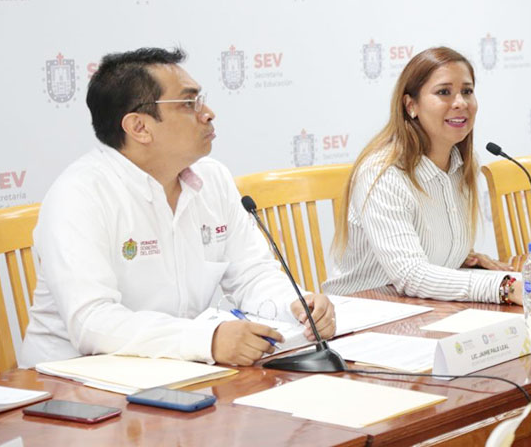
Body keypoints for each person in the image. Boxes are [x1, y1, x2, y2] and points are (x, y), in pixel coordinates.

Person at [21, 48, 335, 368]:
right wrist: (207, 340)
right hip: (72, 379)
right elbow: (93, 321)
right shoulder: (79, 194)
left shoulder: (213, 178)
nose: (208, 113)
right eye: (188, 103)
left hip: (178, 369)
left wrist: (296, 306)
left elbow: (252, 275)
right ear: (139, 127)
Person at [322, 47, 531, 310]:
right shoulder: (382, 173)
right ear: (411, 106)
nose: (460, 103)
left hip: (420, 309)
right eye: (444, 92)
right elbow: (411, 275)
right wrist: (505, 286)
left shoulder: (460, 165)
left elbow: (422, 257)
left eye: (467, 91)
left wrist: (465, 259)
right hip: (361, 314)